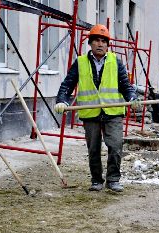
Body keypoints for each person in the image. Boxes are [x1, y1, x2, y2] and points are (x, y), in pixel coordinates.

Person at [55, 24, 139, 192]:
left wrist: (132, 97)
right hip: (90, 112)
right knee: (93, 148)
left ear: (108, 45)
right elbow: (67, 85)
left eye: (103, 41)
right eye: (96, 41)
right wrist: (62, 100)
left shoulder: (116, 62)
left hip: (113, 112)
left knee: (115, 145)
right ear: (90, 43)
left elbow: (126, 85)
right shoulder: (80, 63)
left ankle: (113, 179)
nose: (100, 44)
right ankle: (96, 180)